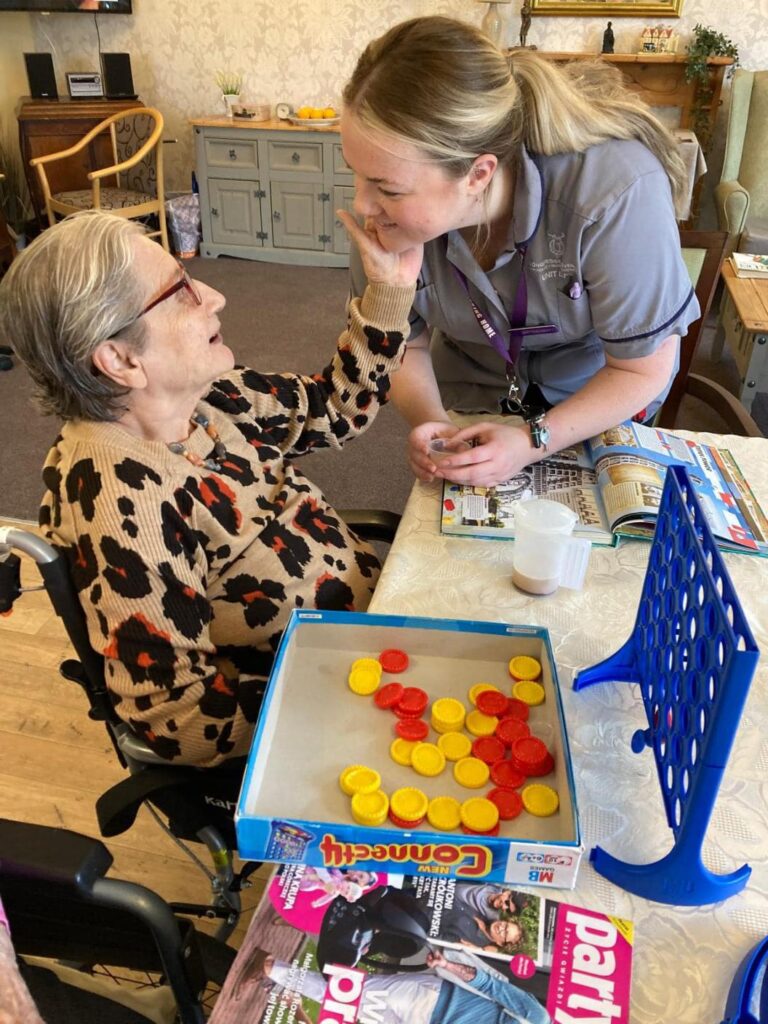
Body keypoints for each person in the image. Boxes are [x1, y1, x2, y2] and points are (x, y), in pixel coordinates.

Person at [0, 209, 419, 767]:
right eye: (180, 291)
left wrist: (388, 289)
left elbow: (332, 408)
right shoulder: (125, 501)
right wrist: (347, 705)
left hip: (380, 639)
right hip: (341, 706)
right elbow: (180, 716)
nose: (215, 295)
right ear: (121, 359)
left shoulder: (203, 399)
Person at [343, 16, 699, 489]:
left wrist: (534, 438)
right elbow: (404, 345)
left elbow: (640, 368)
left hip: (594, 398)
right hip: (471, 391)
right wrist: (436, 425)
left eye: (386, 188)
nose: (361, 206)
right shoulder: (387, 216)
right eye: (356, 173)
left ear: (477, 174)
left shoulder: (615, 190)